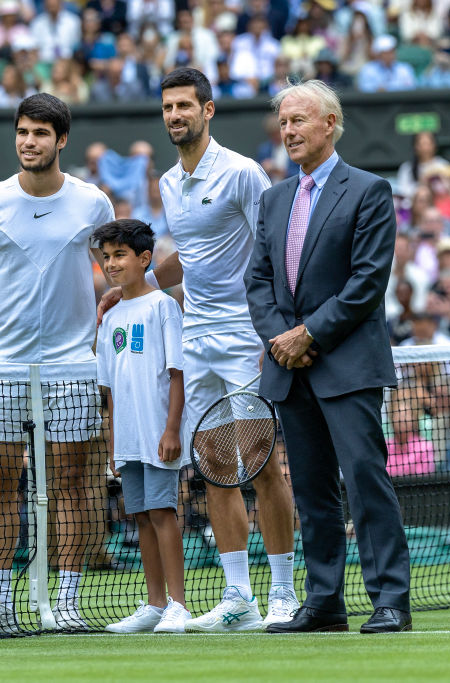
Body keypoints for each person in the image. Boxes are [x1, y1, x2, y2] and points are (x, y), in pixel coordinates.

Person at [97, 67, 299, 631]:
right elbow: (188, 256)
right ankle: (240, 596)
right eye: (167, 108)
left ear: (208, 111)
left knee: (262, 466)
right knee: (214, 469)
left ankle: (282, 591)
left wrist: (271, 330)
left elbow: (276, 248)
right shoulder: (167, 183)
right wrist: (131, 289)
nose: (175, 116)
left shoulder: (243, 173)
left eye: (185, 106)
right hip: (196, 336)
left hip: (244, 337)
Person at [245, 80, 412, 633]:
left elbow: (367, 283)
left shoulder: (368, 190)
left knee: (365, 481)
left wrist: (306, 335)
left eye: (299, 121)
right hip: (289, 367)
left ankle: (390, 599)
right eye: (284, 122)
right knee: (312, 489)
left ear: (330, 124)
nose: (288, 131)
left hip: (346, 364)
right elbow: (259, 282)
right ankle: (324, 603)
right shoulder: (272, 199)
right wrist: (281, 340)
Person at [0, 93, 115, 634]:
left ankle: (64, 601)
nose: (29, 141)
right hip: (3, 366)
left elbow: (117, 275)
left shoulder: (93, 203)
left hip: (72, 366)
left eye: (41, 133)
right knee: (1, 483)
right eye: (23, 132)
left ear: (60, 140)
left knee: (69, 484)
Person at [94, 219, 191, 634]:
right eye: (106, 257)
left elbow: (177, 375)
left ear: (144, 259)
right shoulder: (110, 315)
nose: (112, 264)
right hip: (128, 438)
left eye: (120, 255)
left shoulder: (163, 306)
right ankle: (153, 604)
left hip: (159, 433)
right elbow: (111, 391)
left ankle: (178, 604)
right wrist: (114, 444)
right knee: (140, 515)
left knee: (162, 511)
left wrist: (171, 430)